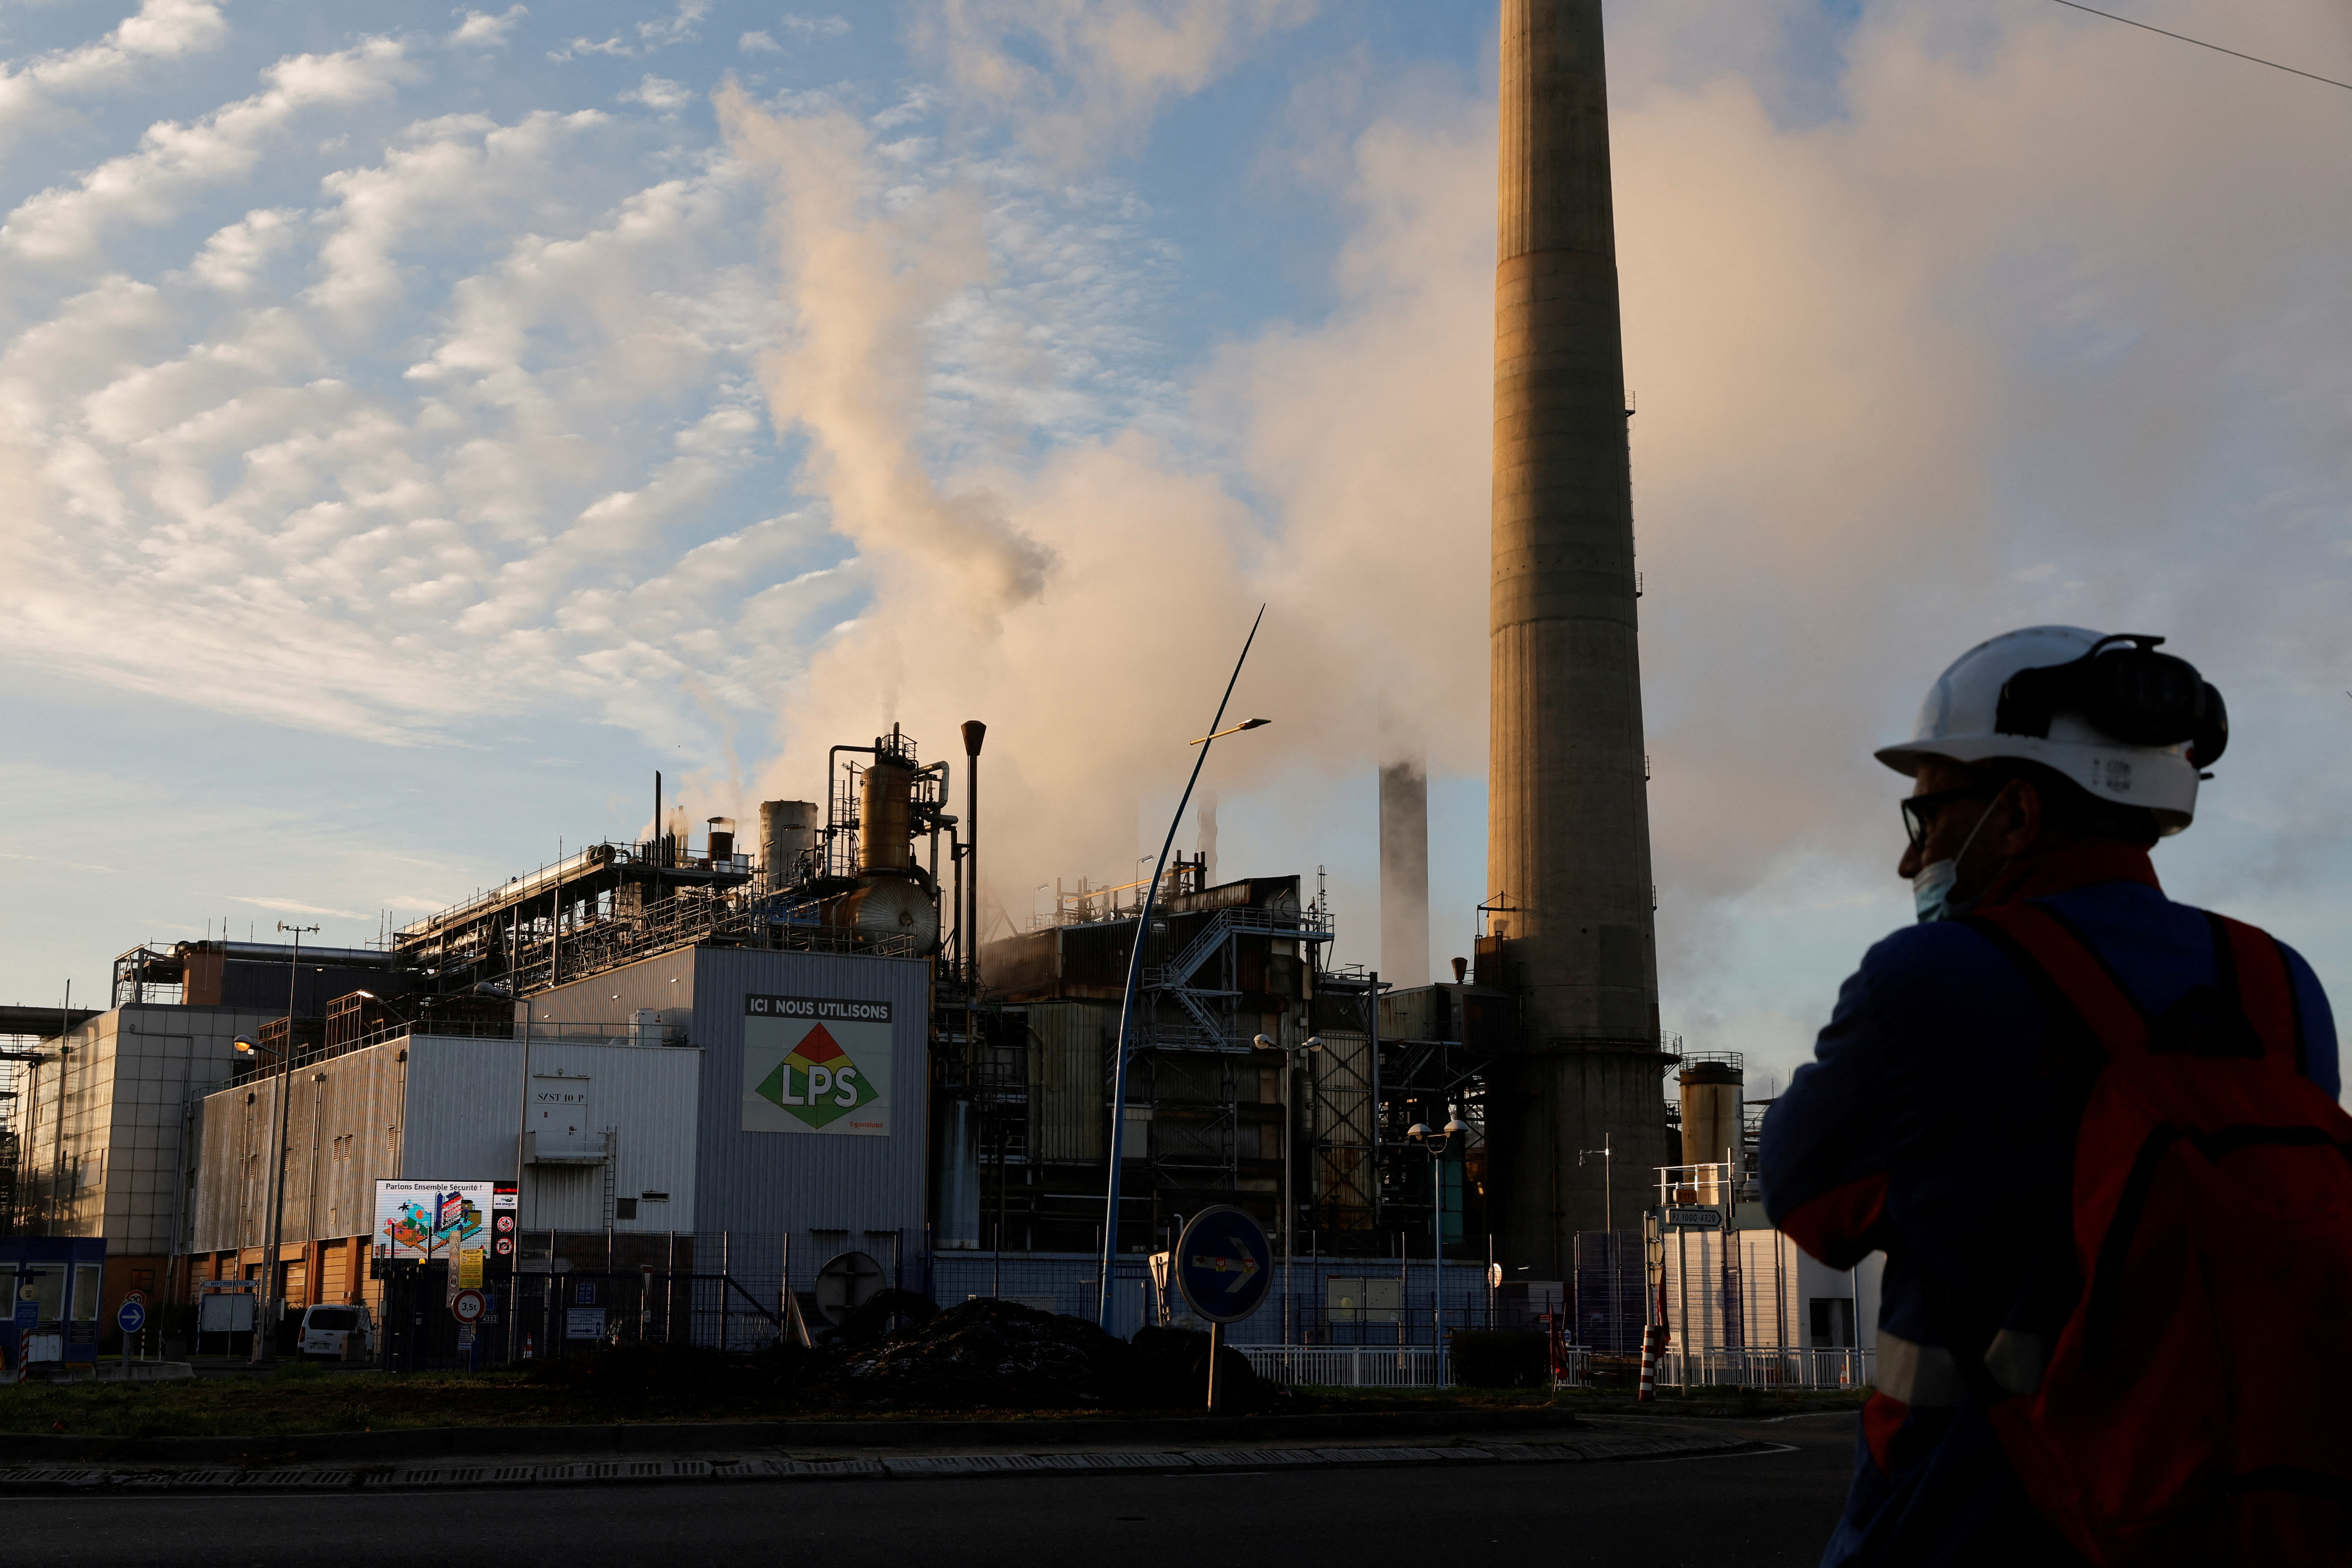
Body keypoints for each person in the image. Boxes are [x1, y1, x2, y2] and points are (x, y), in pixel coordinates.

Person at [1760, 626, 2342, 1566]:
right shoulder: (2281, 983)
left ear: (2017, 810)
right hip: (2232, 1515)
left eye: (1928, 818)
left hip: (1969, 1516)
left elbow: (1801, 1196)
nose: (1914, 862)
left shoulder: (1932, 979)